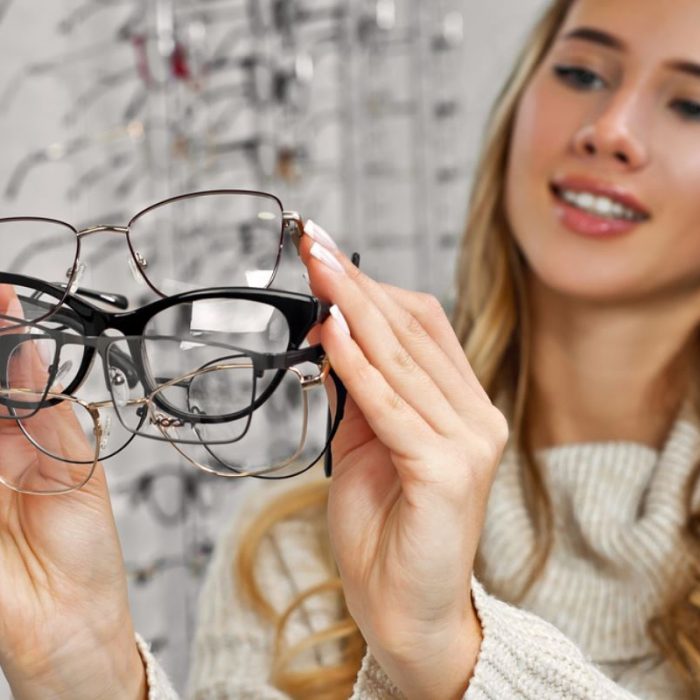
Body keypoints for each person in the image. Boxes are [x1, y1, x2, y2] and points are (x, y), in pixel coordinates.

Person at [2, 0, 700, 697]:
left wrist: (447, 652)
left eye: (691, 106)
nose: (610, 131)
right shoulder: (305, 527)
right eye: (581, 73)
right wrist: (84, 669)